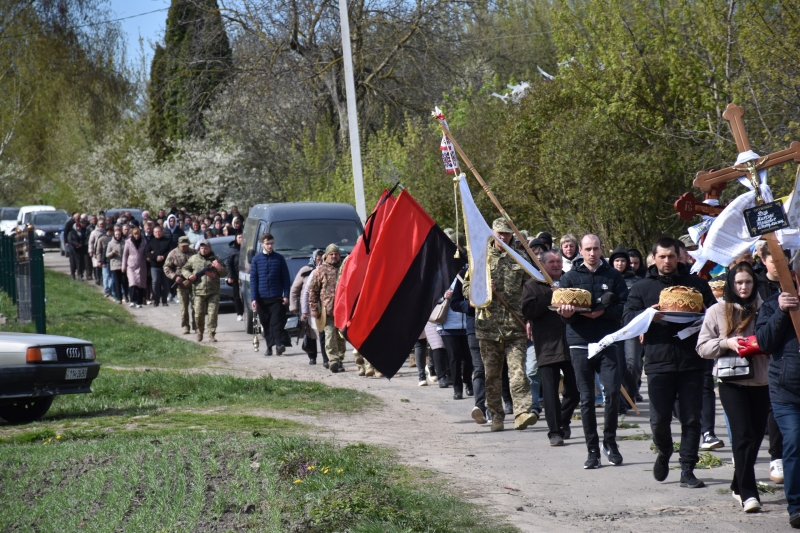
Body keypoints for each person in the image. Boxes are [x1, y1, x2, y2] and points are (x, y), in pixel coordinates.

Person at [624, 237, 715, 488]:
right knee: (659, 419)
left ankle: (687, 469)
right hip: (658, 360)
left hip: (692, 361)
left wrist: (707, 311)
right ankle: (664, 451)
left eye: (671, 256)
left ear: (680, 257)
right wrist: (647, 316)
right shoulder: (642, 288)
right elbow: (627, 318)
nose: (667, 261)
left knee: (691, 418)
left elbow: (716, 313)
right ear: (653, 258)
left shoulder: (696, 285)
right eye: (662, 256)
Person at [697, 262, 769, 513]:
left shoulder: (766, 308)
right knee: (742, 436)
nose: (743, 287)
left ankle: (737, 483)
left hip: (762, 379)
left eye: (748, 282)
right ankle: (749, 493)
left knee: (757, 437)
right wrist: (727, 343)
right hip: (731, 382)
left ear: (754, 283)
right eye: (738, 282)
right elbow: (703, 348)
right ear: (730, 283)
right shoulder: (717, 310)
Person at [558, 234, 628, 468]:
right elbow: (561, 308)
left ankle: (610, 442)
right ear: (580, 250)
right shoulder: (569, 278)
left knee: (611, 394)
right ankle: (592, 450)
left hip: (607, 341)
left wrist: (604, 312)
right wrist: (567, 314)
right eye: (587, 249)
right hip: (579, 341)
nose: (592, 253)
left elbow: (624, 307)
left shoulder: (614, 276)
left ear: (601, 249)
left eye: (596, 248)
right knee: (586, 398)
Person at [462, 218, 537, 432]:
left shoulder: (520, 258)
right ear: (492, 233)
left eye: (507, 234)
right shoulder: (479, 258)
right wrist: (483, 287)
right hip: (488, 326)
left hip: (515, 325)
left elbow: (530, 290)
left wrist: (530, 318)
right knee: (492, 375)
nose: (503, 237)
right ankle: (496, 415)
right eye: (500, 234)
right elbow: (466, 289)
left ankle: (521, 412)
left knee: (518, 372)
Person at [755, 255, 800, 528]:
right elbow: (764, 342)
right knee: (795, 440)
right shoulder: (774, 304)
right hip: (786, 391)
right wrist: (782, 312)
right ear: (793, 276)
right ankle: (796, 505)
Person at [522, 249, 579, 446]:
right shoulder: (532, 285)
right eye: (551, 262)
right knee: (550, 390)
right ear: (543, 265)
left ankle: (563, 420)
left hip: (571, 343)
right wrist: (550, 294)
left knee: (576, 387)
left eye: (558, 261)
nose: (556, 265)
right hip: (547, 344)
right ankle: (554, 432)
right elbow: (528, 310)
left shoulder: (571, 281)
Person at [250, 233, 291, 355]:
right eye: (267, 244)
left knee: (276, 322)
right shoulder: (256, 260)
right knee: (266, 322)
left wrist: (286, 295)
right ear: (262, 244)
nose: (270, 246)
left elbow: (286, 278)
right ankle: (269, 346)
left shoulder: (279, 258)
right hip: (262, 298)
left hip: (276, 297)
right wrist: (254, 298)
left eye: (272, 243)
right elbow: (254, 280)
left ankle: (279, 344)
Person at [309, 244, 346, 372]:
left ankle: (340, 359)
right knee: (329, 336)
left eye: (336, 254)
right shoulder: (320, 271)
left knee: (341, 338)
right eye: (331, 254)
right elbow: (313, 291)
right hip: (327, 311)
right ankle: (333, 360)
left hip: (342, 311)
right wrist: (314, 308)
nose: (334, 256)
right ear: (327, 256)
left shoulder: (344, 268)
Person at [182, 240, 227, 342]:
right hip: (198, 292)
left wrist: (219, 268)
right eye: (202, 248)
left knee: (212, 314)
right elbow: (184, 269)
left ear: (210, 248)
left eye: (206, 248)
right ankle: (200, 331)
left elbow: (224, 273)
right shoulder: (193, 259)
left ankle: (211, 334)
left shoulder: (216, 259)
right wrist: (189, 276)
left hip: (213, 291)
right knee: (198, 314)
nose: (203, 250)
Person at [291, 250, 323, 364]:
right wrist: (294, 306)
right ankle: (312, 356)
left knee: (323, 333)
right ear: (314, 258)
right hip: (307, 309)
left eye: (322, 259)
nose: (320, 262)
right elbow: (295, 290)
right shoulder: (305, 271)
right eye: (318, 259)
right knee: (309, 333)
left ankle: (326, 357)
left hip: (322, 308)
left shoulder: (324, 271)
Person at [164, 236, 197, 334]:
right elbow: (166, 268)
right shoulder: (173, 254)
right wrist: (174, 277)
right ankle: (185, 326)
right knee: (184, 307)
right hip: (181, 284)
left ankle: (196, 325)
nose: (185, 248)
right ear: (178, 244)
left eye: (186, 246)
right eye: (183, 246)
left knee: (196, 306)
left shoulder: (194, 252)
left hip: (194, 283)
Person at [145, 225, 173, 307]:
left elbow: (171, 251)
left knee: (165, 284)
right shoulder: (151, 242)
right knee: (155, 282)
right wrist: (155, 257)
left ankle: (164, 300)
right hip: (155, 265)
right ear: (153, 233)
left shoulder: (168, 241)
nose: (158, 233)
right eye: (156, 232)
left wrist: (163, 257)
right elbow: (147, 253)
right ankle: (156, 299)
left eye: (159, 231)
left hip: (166, 265)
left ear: (162, 232)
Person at [122, 227, 148, 308]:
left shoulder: (144, 242)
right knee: (132, 283)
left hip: (141, 265)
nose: (136, 236)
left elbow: (146, 252)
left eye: (138, 234)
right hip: (131, 266)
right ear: (133, 234)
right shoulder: (128, 242)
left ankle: (139, 302)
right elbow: (125, 255)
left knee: (141, 284)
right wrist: (123, 266)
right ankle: (132, 300)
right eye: (135, 234)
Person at [226, 233, 244, 321]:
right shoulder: (232, 250)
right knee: (237, 295)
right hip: (236, 276)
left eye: (242, 237)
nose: (241, 239)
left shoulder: (248, 248)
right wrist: (230, 276)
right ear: (236, 238)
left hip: (246, 275)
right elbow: (228, 264)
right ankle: (239, 313)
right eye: (239, 237)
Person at [88, 219, 105, 285]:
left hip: (103, 251)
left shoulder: (105, 231)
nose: (101, 225)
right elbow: (91, 242)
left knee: (101, 265)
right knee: (96, 265)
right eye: (100, 224)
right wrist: (90, 251)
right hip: (95, 251)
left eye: (102, 224)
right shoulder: (93, 232)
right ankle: (97, 278)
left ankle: (101, 278)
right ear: (98, 225)